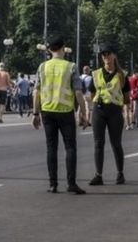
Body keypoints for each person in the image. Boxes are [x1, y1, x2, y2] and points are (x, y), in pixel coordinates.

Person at [31, 38, 88, 195]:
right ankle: (71, 183)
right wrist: (83, 113)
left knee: (51, 148)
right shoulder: (71, 67)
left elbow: (36, 91)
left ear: (49, 50)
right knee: (70, 147)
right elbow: (78, 92)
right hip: (65, 111)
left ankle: (53, 184)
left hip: (47, 111)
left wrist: (35, 113)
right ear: (63, 48)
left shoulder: (42, 67)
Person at [88, 45, 130, 186]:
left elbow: (127, 96)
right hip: (99, 111)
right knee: (98, 144)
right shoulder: (96, 74)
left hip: (115, 111)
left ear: (114, 56)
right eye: (103, 55)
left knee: (116, 143)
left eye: (108, 54)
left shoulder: (122, 74)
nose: (105, 57)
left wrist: (120, 104)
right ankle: (98, 175)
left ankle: (120, 174)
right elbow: (92, 93)